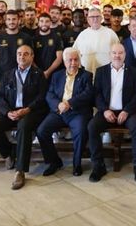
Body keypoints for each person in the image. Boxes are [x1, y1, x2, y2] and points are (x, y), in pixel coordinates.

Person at [0, 45, 49, 190]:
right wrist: (7, 112)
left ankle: (20, 170)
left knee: (23, 127)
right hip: (10, 111)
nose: (22, 56)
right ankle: (9, 154)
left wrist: (27, 109)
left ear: (32, 57)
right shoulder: (8, 74)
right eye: (19, 54)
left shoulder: (39, 74)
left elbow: (42, 97)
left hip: (31, 112)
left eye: (26, 54)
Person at [88, 43, 136, 182]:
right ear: (110, 55)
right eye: (114, 53)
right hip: (107, 111)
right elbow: (97, 95)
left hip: (128, 111)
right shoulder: (101, 71)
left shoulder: (134, 71)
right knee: (92, 127)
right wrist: (105, 110)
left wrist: (126, 111)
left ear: (125, 54)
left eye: (120, 53)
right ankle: (98, 165)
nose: (117, 56)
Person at [36, 48, 95, 177]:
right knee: (41, 131)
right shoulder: (57, 75)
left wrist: (69, 103)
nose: (73, 63)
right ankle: (54, 162)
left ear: (79, 61)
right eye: (70, 60)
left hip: (77, 112)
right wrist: (59, 105)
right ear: (64, 61)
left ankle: (77, 164)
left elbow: (88, 94)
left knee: (80, 131)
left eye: (76, 60)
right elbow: (49, 94)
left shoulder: (86, 75)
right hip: (59, 111)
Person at [0, 10, 33, 86]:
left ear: (19, 20)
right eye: (9, 19)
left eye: (14, 19)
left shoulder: (26, 37)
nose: (11, 22)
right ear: (5, 21)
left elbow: (31, 58)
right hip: (3, 76)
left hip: (23, 76)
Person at [72, 7, 120, 73]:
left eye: (97, 16)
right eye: (92, 17)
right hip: (87, 72)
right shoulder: (82, 34)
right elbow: (74, 53)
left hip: (106, 73)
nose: (95, 19)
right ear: (88, 19)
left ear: (101, 18)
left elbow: (119, 53)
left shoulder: (110, 33)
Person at [33, 13, 64, 79]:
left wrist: (47, 72)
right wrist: (40, 72)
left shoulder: (57, 37)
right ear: (38, 23)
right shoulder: (34, 39)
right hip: (38, 74)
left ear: (50, 23)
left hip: (54, 74)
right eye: (41, 21)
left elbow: (59, 58)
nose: (44, 24)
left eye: (47, 21)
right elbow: (31, 58)